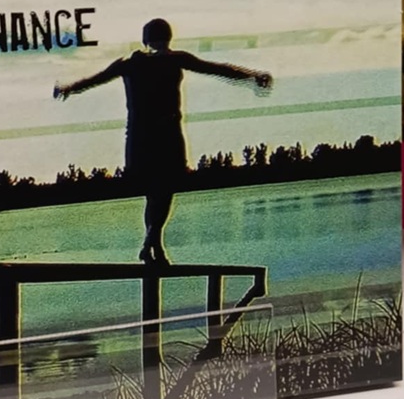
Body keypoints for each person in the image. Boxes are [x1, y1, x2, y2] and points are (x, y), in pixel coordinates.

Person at [54, 18, 273, 265]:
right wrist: (252, 76)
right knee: (163, 190)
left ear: (145, 39)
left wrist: (68, 88)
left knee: (154, 193)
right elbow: (218, 68)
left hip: (138, 138)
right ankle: (151, 241)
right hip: (167, 134)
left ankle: (153, 245)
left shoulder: (128, 64)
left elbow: (95, 79)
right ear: (168, 38)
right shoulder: (175, 59)